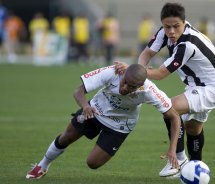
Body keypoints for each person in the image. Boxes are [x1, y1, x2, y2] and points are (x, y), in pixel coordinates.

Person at [115, 2, 215, 178]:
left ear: (185, 22)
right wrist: (137, 75)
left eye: (176, 26)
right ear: (162, 24)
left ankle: (178, 159)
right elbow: (146, 54)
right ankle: (195, 170)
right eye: (167, 26)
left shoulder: (188, 44)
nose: (171, 31)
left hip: (214, 89)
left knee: (170, 107)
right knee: (193, 127)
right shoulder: (164, 32)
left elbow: (160, 74)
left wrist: (132, 72)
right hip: (197, 85)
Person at [26, 64, 180, 179]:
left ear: (140, 86)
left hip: (120, 125)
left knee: (93, 163)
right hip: (95, 110)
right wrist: (85, 106)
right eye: (125, 82)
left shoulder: (149, 91)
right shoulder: (113, 71)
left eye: (131, 87)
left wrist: (173, 149)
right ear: (124, 73)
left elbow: (174, 117)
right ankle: (42, 165)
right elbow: (78, 91)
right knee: (66, 136)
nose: (125, 88)